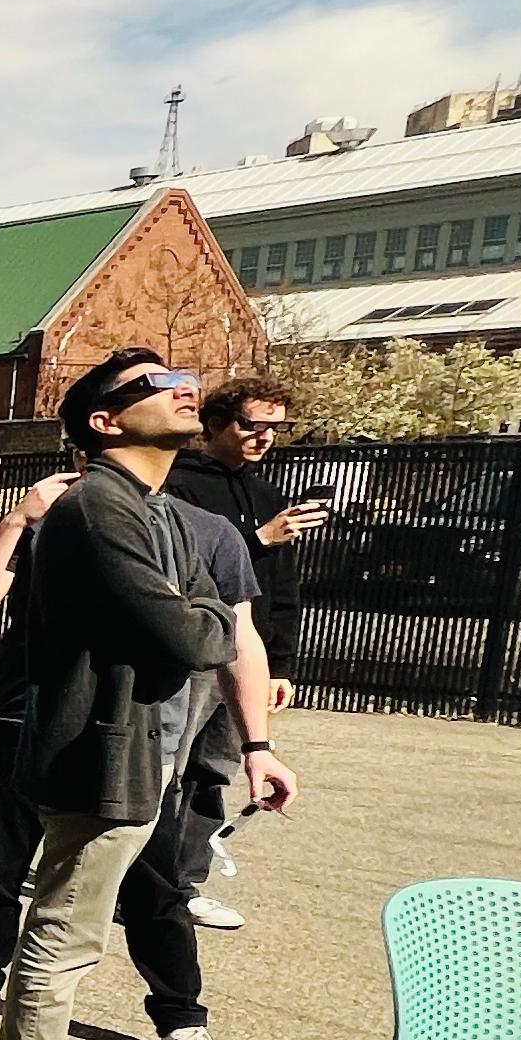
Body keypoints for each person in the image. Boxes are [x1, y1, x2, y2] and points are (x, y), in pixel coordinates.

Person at [0, 352, 285, 1040]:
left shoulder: (155, 510)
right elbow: (191, 637)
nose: (183, 386)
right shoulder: (100, 507)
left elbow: (192, 620)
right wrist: (208, 615)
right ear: (105, 423)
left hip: (145, 751)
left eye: (183, 374)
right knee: (66, 934)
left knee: (75, 928)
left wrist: (199, 618)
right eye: (155, 382)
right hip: (99, 754)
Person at [0, 441, 291, 1040]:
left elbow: (238, 642)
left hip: (140, 747)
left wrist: (257, 746)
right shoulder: (62, 516)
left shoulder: (208, 532)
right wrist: (17, 520)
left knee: (157, 892)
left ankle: (180, 1018)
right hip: (25, 727)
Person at [150, 380, 326, 930]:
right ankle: (140, 882)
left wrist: (283, 664)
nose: (263, 437)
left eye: (276, 427)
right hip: (196, 652)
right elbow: (187, 566)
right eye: (252, 424)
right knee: (163, 771)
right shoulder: (179, 484)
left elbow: (281, 584)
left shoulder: (268, 492)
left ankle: (186, 883)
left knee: (216, 771)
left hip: (250, 651)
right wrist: (259, 538)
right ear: (218, 424)